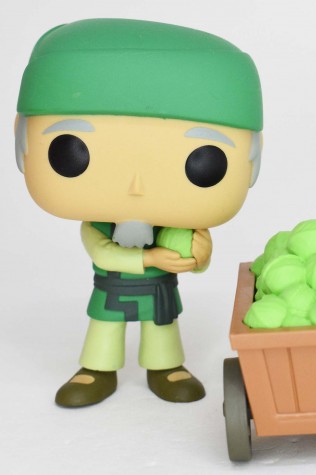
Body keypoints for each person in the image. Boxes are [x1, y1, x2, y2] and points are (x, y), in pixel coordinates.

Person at [15, 18, 263, 408]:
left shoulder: (179, 224)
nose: (136, 186)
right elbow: (102, 253)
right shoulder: (99, 224)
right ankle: (96, 369)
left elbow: (194, 257)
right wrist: (150, 259)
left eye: (204, 162)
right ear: (20, 138)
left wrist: (198, 255)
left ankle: (166, 367)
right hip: (113, 286)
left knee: (162, 325)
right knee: (104, 325)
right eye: (71, 152)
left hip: (159, 288)